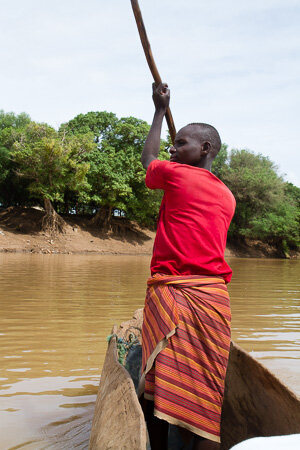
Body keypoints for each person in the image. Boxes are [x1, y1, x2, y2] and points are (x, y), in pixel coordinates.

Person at [138, 82, 236, 450]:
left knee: (157, 382)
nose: (172, 149)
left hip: (175, 293)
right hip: (214, 298)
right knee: (207, 391)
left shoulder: (177, 175)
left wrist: (160, 110)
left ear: (205, 149)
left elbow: (147, 160)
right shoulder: (228, 195)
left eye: (181, 144)